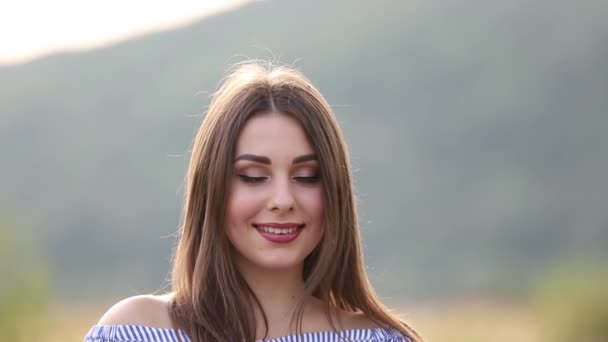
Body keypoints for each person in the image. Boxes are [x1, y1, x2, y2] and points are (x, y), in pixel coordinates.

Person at [84, 61, 421, 342]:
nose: (283, 200)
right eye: (253, 176)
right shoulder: (135, 331)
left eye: (306, 177)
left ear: (335, 192)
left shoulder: (380, 339)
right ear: (212, 188)